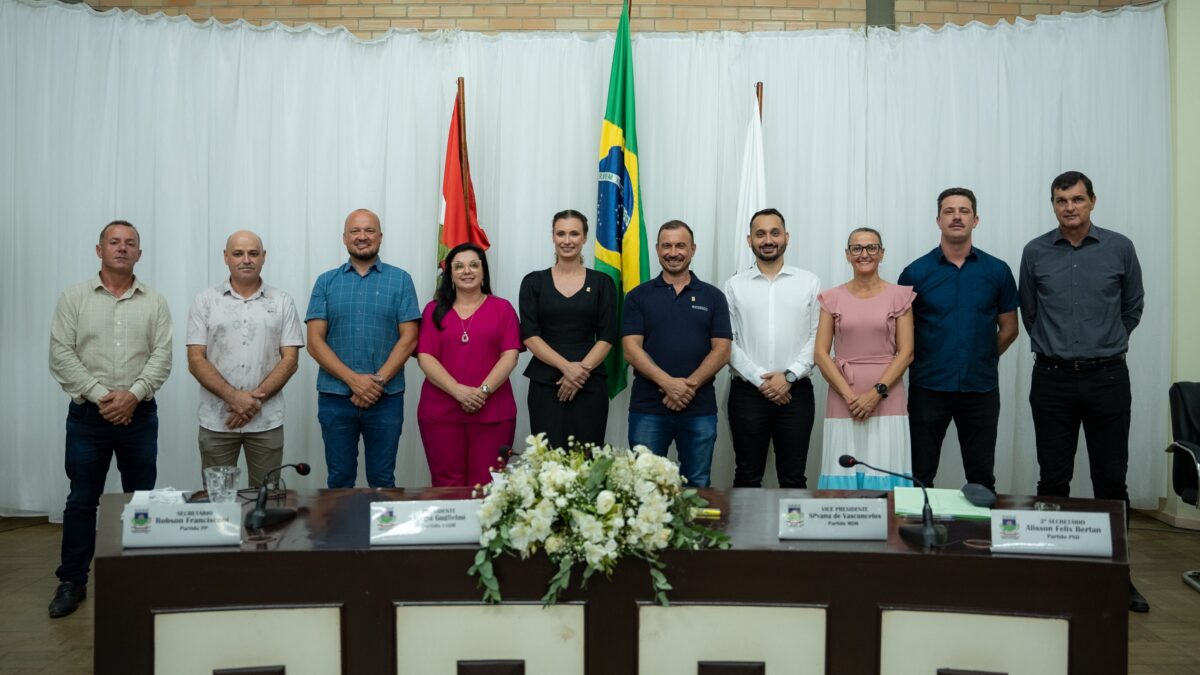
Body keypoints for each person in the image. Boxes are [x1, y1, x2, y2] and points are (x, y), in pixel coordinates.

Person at [1018, 170, 1147, 612]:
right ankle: (1054, 572)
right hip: (1052, 379)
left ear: (1093, 201)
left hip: (1107, 378)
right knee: (1053, 479)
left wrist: (1102, 342)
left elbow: (1132, 307)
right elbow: (1030, 314)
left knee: (1111, 480)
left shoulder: (1119, 248)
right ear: (1052, 205)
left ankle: (1118, 576)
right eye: (1060, 201)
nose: (1069, 207)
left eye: (1076, 199)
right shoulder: (1035, 252)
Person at [47, 220, 172, 618]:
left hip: (140, 414)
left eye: (130, 243)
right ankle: (72, 581)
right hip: (88, 416)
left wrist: (132, 397)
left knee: (141, 500)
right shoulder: (74, 298)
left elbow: (162, 357)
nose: (122, 248)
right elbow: (61, 355)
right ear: (98, 250)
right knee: (83, 500)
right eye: (114, 242)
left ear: (139, 253)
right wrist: (105, 397)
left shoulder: (154, 301)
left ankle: (140, 577)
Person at [898, 188, 1019, 493]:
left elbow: (1009, 328)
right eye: (949, 211)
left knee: (981, 477)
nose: (956, 217)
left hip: (981, 389)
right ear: (938, 219)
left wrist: (983, 357)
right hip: (928, 388)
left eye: (964, 211)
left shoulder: (997, 271)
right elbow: (901, 334)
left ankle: (977, 539)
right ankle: (918, 537)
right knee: (919, 474)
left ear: (975, 220)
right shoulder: (915, 273)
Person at [306, 209, 420, 488]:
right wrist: (354, 380)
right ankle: (341, 534)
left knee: (382, 479)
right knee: (340, 479)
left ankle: (384, 533)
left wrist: (376, 382)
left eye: (369, 231)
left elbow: (410, 338)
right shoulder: (325, 282)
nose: (362, 237)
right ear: (344, 238)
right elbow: (314, 342)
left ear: (380, 237)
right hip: (335, 399)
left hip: (387, 398)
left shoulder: (401, 279)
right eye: (355, 231)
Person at [186, 230, 304, 487]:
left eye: (253, 253)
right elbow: (195, 359)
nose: (246, 259)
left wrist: (251, 402)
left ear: (264, 257)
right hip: (217, 421)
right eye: (238, 253)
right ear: (226, 257)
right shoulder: (205, 301)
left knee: (267, 500)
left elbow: (290, 360)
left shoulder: (282, 301)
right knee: (218, 502)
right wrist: (234, 397)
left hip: (266, 422)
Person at [622, 221, 732, 488]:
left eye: (680, 245)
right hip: (648, 408)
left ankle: (696, 532)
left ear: (693, 249)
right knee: (644, 485)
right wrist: (668, 383)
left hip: (699, 409)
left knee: (697, 483)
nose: (674, 252)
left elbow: (722, 350)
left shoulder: (714, 297)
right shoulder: (638, 296)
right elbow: (631, 349)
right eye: (667, 246)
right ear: (658, 250)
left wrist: (687, 387)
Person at [724, 208, 821, 488]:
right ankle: (746, 534)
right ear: (749, 240)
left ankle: (793, 533)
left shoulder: (809, 282)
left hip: (796, 393)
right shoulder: (734, 285)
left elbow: (818, 336)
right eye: (760, 233)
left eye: (775, 233)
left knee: (793, 477)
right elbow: (727, 341)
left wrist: (788, 376)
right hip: (746, 394)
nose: (768, 239)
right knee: (746, 475)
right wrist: (761, 380)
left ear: (786, 237)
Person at [814, 228, 915, 490]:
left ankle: (891, 531)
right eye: (857, 248)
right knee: (843, 472)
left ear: (882, 253)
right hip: (843, 396)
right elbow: (821, 354)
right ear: (847, 255)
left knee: (886, 472)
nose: (864, 254)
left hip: (888, 395)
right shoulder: (831, 297)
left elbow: (906, 353)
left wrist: (875, 394)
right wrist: (850, 397)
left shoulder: (900, 296)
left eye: (871, 248)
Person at [417, 243, 522, 487]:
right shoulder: (433, 311)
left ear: (483, 272)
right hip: (441, 412)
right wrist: (458, 391)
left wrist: (482, 392)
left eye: (474, 265)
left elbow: (510, 356)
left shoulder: (502, 308)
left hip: (493, 411)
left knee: (487, 485)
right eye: (459, 266)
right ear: (450, 274)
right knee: (446, 484)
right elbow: (425, 357)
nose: (467, 271)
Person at [519, 210, 616, 449]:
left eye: (574, 233)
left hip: (590, 382)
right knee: (547, 461)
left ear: (584, 238)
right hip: (545, 383)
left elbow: (607, 336)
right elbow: (530, 336)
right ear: (552, 237)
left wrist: (579, 373)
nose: (567, 240)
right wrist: (567, 369)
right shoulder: (533, 282)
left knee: (588, 460)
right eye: (561, 233)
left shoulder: (603, 283)